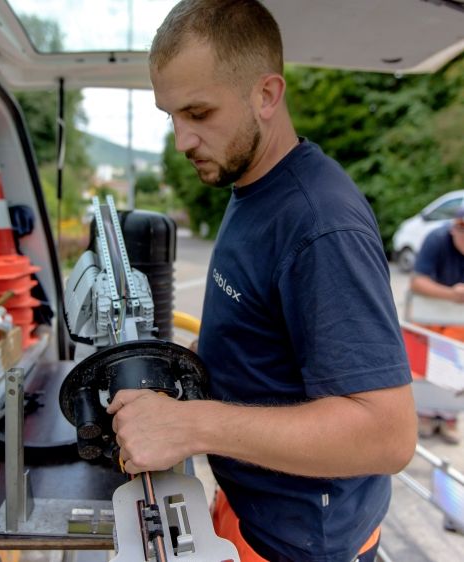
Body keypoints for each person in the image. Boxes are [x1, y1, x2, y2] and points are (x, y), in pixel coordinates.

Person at [107, 1, 417, 561]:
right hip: (250, 507)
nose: (182, 140)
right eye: (171, 116)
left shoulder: (319, 223)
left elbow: (388, 436)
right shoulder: (253, 185)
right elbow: (265, 336)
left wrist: (191, 426)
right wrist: (186, 380)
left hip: (301, 546)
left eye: (199, 112)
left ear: (267, 95)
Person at [410, 208, 464, 444]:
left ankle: (450, 417)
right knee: (426, 365)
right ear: (455, 228)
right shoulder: (436, 240)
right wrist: (452, 294)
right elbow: (417, 282)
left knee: (457, 368)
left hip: (458, 326)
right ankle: (426, 414)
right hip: (431, 319)